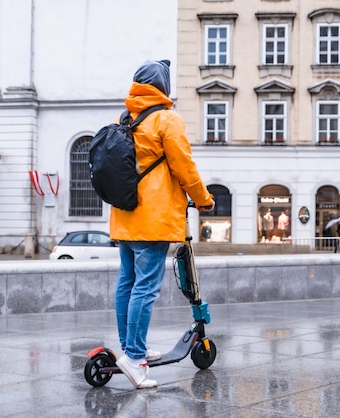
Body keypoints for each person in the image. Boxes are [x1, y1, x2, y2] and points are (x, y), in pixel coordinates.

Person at [110, 59, 214, 389]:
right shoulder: (167, 119)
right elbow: (185, 168)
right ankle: (134, 358)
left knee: (127, 282)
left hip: (124, 216)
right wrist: (203, 199)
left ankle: (130, 349)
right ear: (163, 87)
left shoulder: (124, 118)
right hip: (152, 220)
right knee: (145, 287)